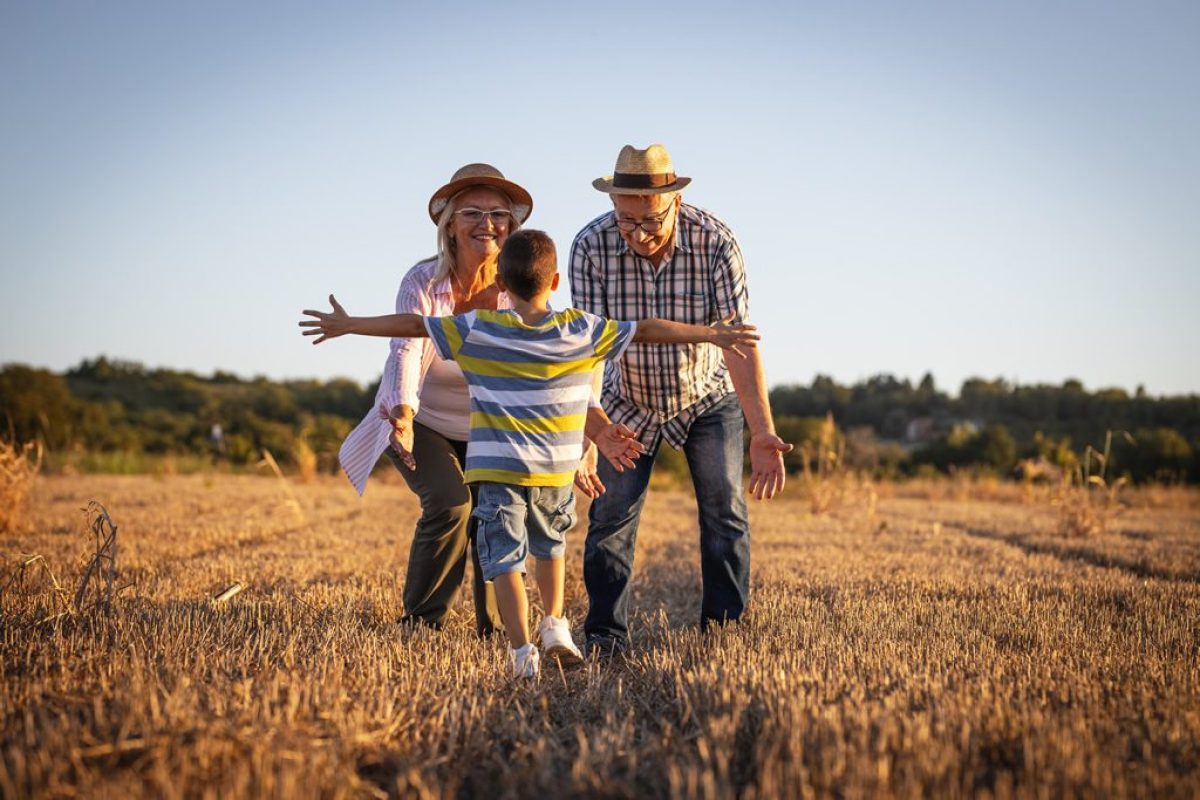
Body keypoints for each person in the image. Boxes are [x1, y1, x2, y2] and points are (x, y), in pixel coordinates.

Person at [301, 229, 760, 677]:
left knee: (505, 560)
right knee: (551, 548)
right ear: (555, 281)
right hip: (556, 471)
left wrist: (351, 325)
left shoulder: (479, 329)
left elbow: (413, 326)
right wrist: (709, 334)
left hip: (498, 471)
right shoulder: (580, 328)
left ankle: (522, 651)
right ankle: (555, 624)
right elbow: (647, 330)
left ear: (500, 283)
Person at [569, 144, 793, 656]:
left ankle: (724, 631)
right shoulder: (590, 246)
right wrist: (591, 430)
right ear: (613, 205)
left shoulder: (716, 242)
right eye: (627, 221)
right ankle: (604, 635)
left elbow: (739, 343)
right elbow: (587, 349)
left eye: (650, 220)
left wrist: (762, 431)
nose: (638, 234)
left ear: (676, 202)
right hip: (627, 399)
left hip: (706, 396)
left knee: (725, 511)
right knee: (610, 517)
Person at [335, 163, 532, 635]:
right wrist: (403, 414)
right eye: (472, 212)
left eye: (498, 213)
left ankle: (497, 628)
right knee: (450, 504)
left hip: (491, 427)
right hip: (421, 420)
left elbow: (544, 356)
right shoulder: (423, 281)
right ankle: (421, 621)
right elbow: (406, 346)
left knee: (496, 515)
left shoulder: (519, 288)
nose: (487, 223)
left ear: (511, 226)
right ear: (449, 226)